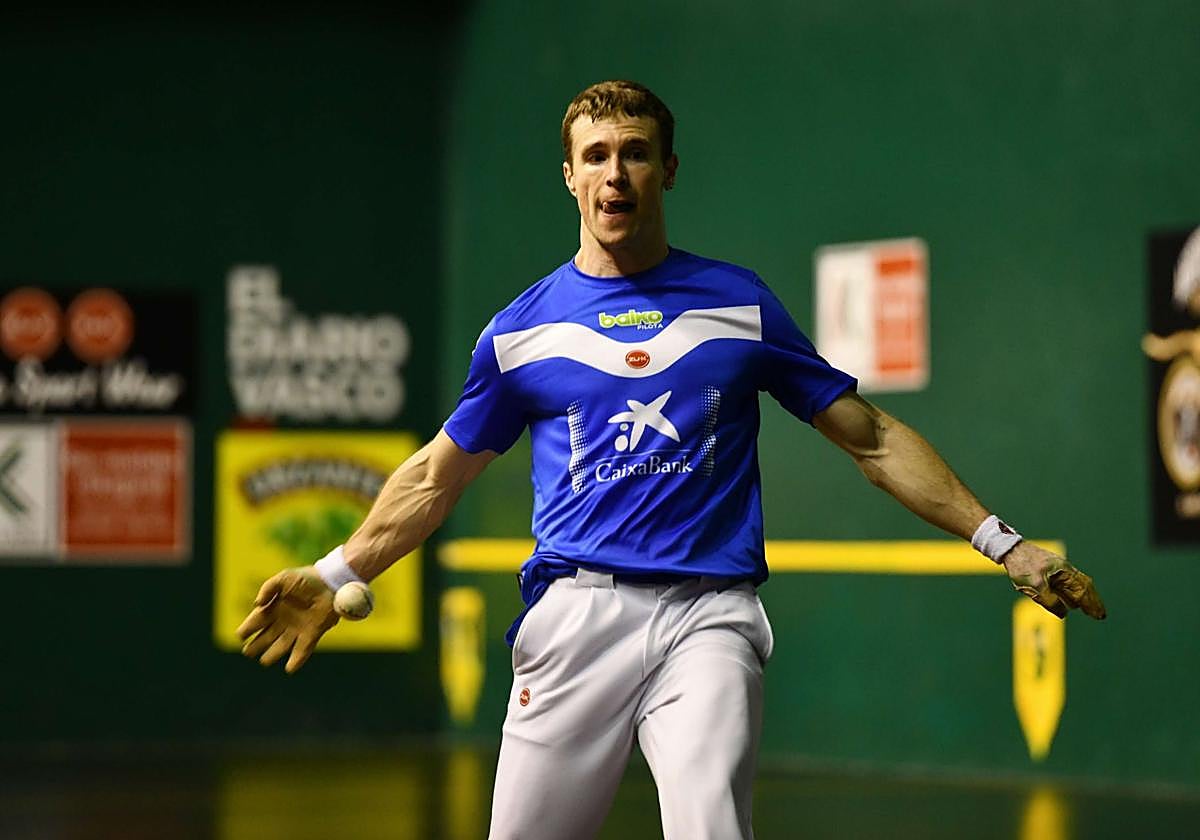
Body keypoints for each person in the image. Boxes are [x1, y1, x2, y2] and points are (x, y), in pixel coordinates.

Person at [237, 80, 1106, 840]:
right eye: (596, 157)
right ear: (570, 175)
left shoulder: (739, 304)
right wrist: (339, 568)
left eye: (636, 154)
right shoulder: (520, 332)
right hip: (576, 619)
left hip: (710, 616)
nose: (615, 174)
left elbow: (871, 437)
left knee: (712, 824)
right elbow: (437, 476)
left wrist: (1003, 543)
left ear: (668, 170)